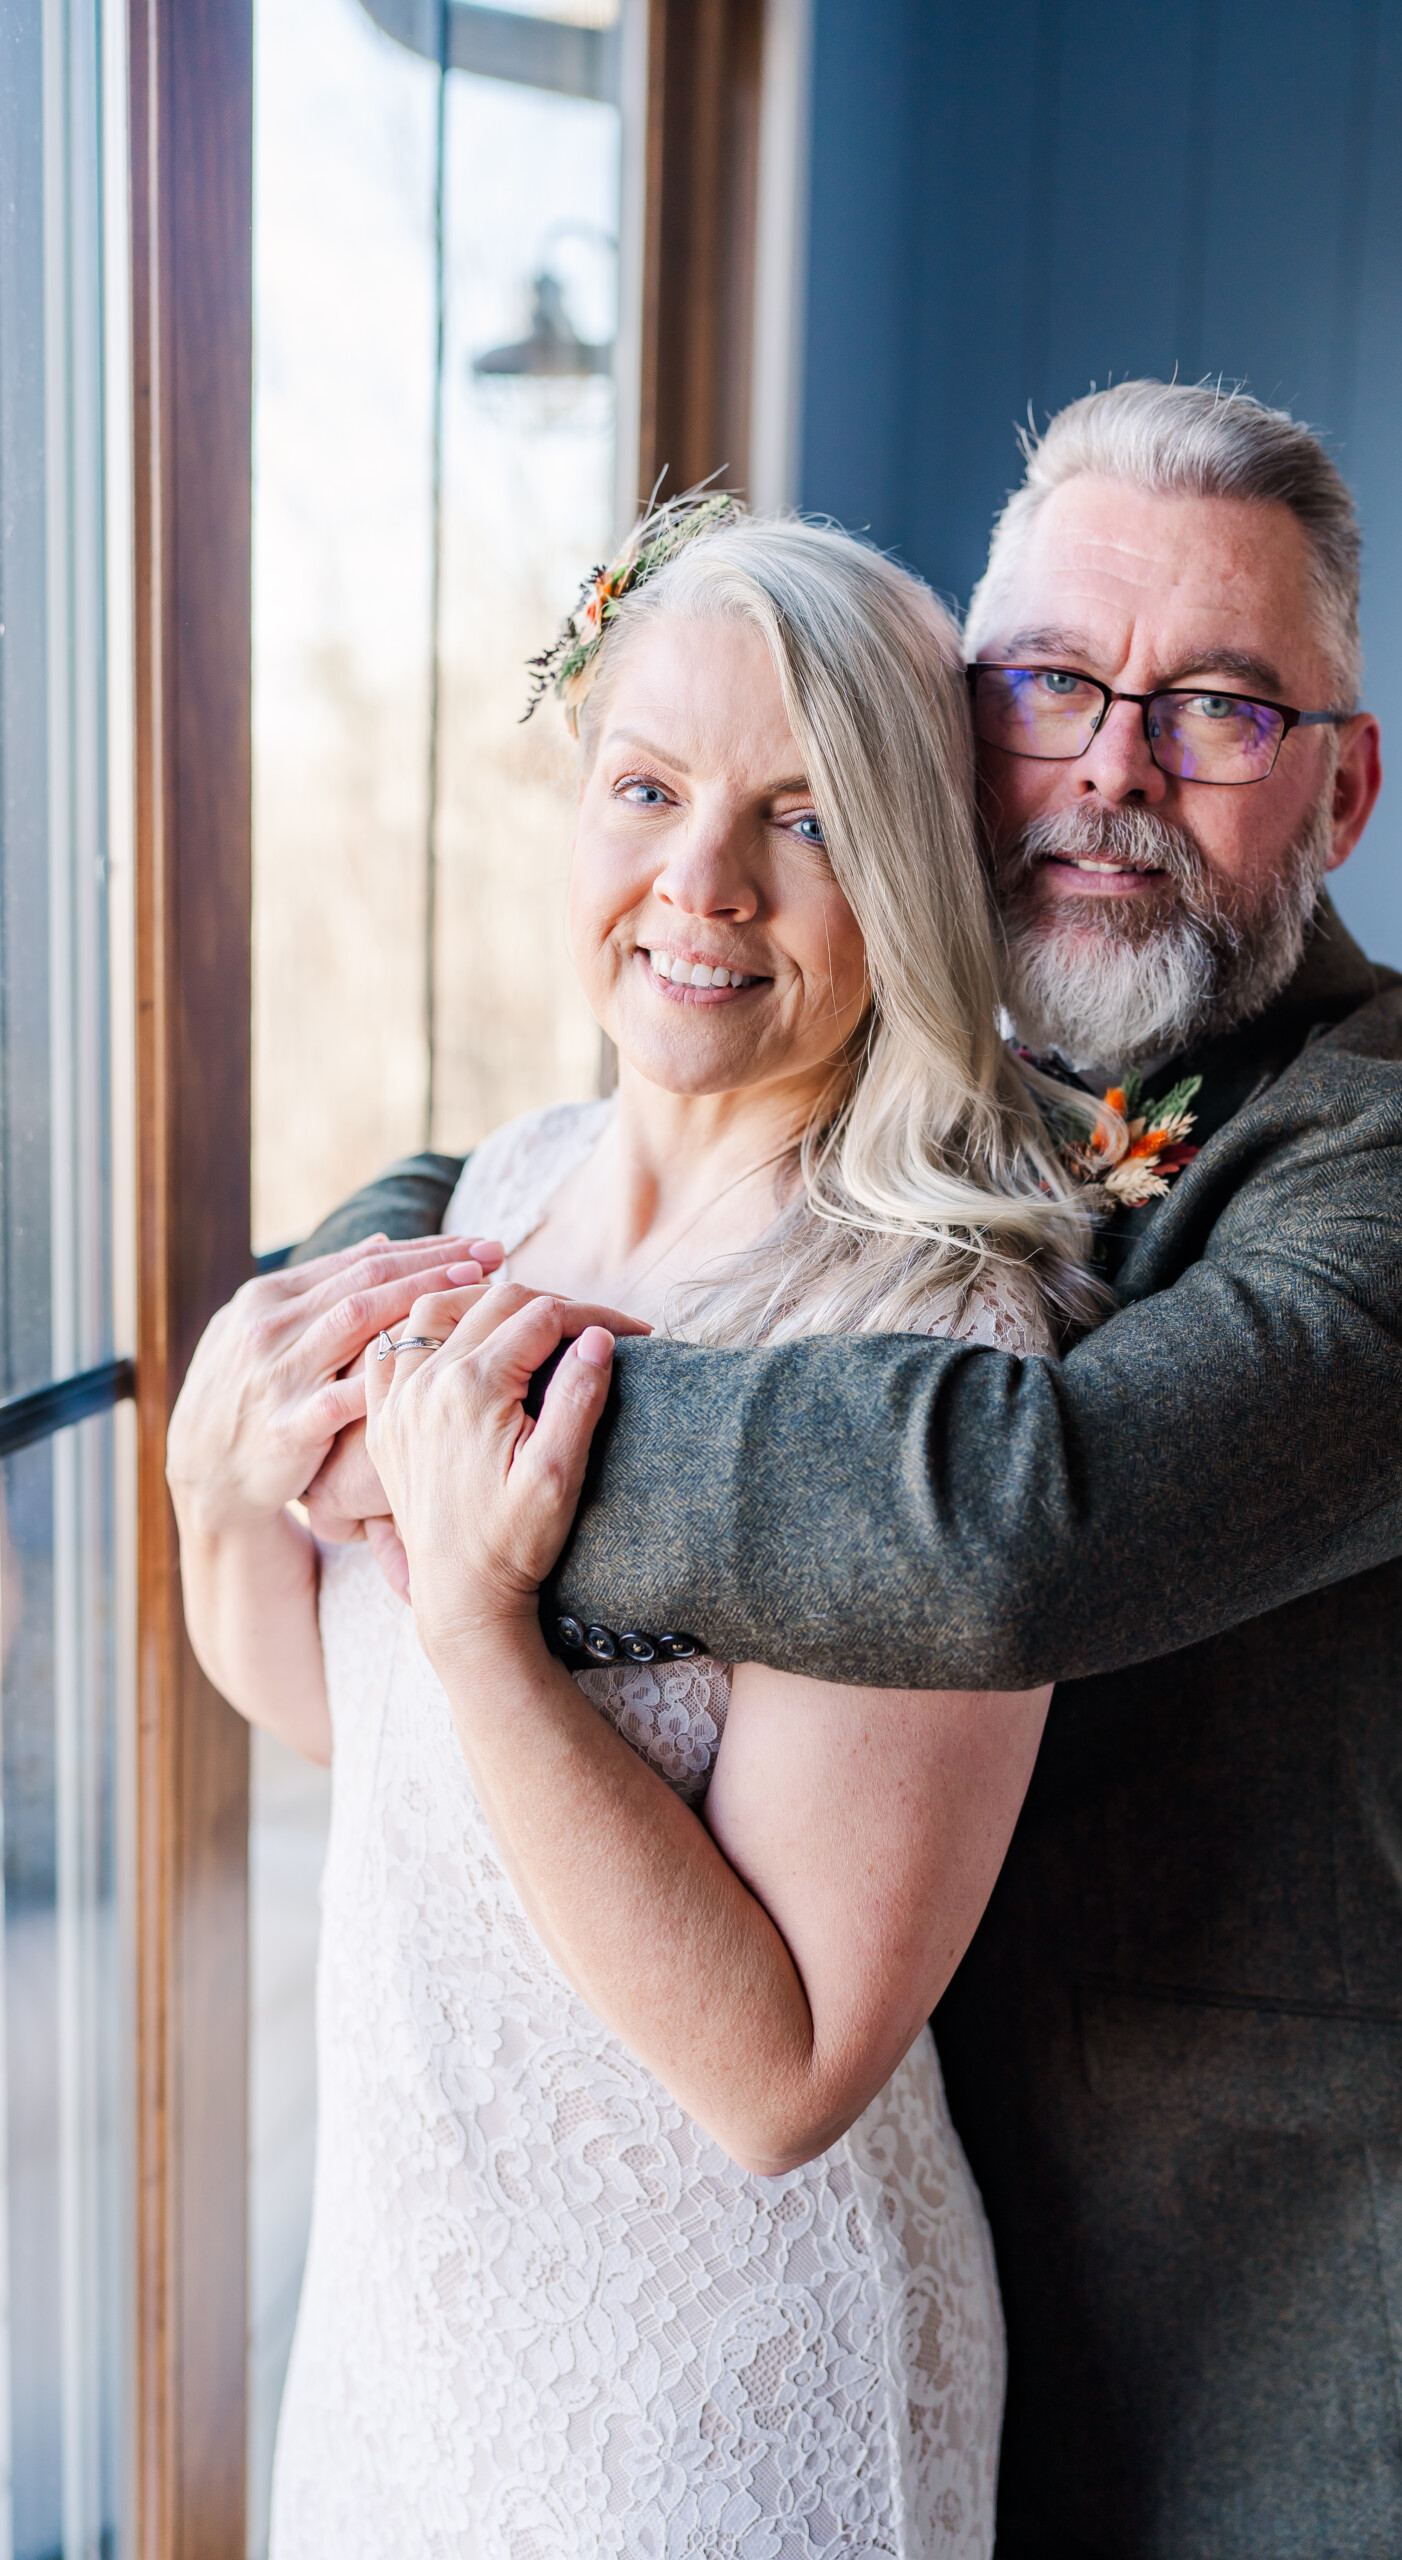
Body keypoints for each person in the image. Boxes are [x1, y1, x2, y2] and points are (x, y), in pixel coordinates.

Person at [295, 382, 1402, 2560]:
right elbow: (492, 1175)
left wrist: (436, 1436)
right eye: (1052, 685)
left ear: (1341, 783)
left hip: (1244, 2351)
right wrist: (312, 1317)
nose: (1109, 766)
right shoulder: (927, 1083)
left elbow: (1013, 1516)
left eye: (1213, 705)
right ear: (956, 732)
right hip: (838, 2235)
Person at [167, 507, 1114, 2557]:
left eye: (804, 817)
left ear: (915, 879)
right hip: (412, 2329)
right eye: (649, 788)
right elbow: (349, 1722)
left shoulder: (927, 1340)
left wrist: (490, 1631)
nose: (700, 879)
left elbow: (780, 2073)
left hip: (713, 2400)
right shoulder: (500, 1188)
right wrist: (213, 1488)